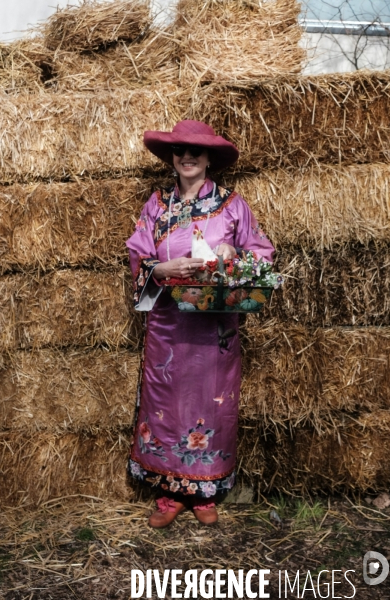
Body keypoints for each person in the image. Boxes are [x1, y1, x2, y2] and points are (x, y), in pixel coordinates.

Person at [126, 120, 275, 527]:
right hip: (168, 327)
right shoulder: (157, 206)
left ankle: (205, 490)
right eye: (180, 151)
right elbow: (138, 256)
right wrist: (162, 266)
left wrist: (231, 252)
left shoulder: (233, 205)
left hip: (215, 330)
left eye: (196, 151)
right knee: (165, 405)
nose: (187, 157)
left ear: (209, 158)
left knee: (213, 402)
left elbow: (262, 254)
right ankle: (167, 492)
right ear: (172, 159)